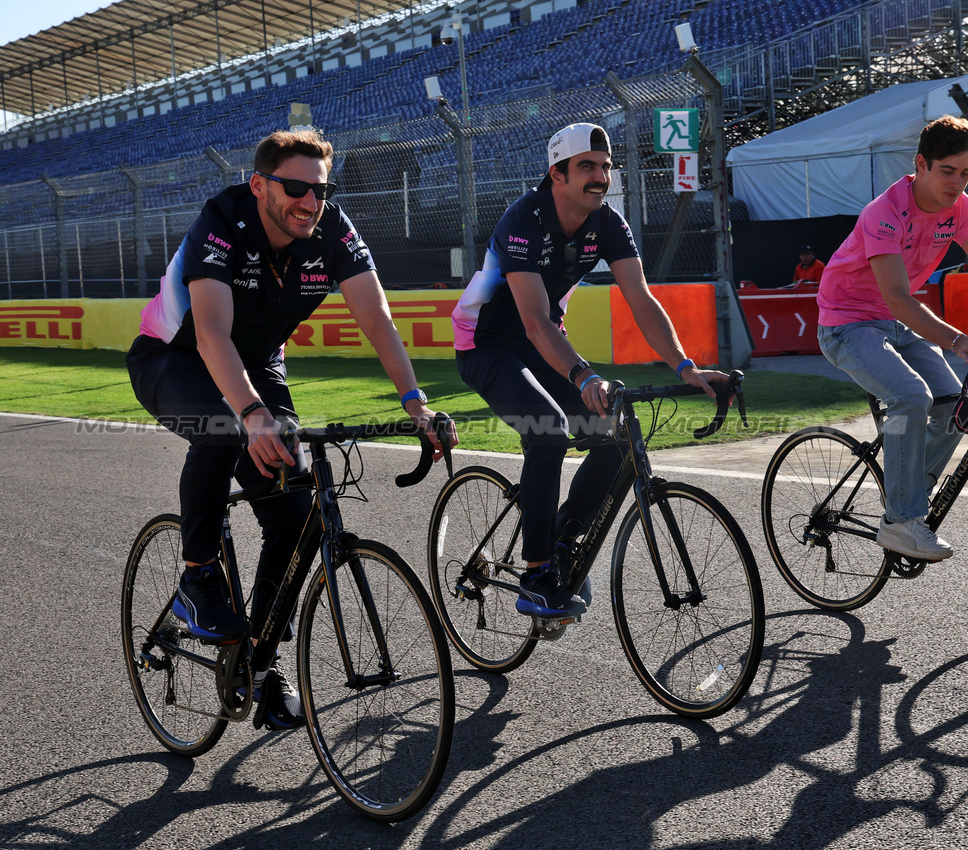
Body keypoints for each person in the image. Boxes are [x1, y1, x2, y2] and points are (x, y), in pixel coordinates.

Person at [126, 130, 451, 730]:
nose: (309, 201)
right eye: (296, 187)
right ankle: (199, 575)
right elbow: (211, 335)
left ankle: (259, 662)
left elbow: (377, 319)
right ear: (260, 184)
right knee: (222, 430)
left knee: (298, 515)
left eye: (321, 190)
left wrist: (417, 405)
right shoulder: (223, 219)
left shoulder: (331, 228)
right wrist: (251, 416)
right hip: (174, 357)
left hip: (258, 364)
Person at [451, 122, 725, 617]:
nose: (600, 177)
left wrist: (686, 366)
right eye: (587, 167)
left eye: (605, 167)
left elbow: (641, 299)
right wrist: (584, 375)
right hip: (487, 346)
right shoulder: (524, 220)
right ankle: (536, 574)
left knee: (616, 438)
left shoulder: (609, 222)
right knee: (550, 430)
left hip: (544, 343)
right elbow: (534, 324)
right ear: (556, 173)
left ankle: (562, 539)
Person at [816, 115, 968, 561]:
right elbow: (898, 296)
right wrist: (953, 339)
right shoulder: (884, 212)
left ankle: (906, 493)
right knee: (910, 396)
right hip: (847, 324)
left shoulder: (959, 208)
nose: (958, 183)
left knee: (953, 403)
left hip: (897, 322)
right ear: (921, 164)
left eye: (966, 172)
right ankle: (902, 522)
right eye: (948, 171)